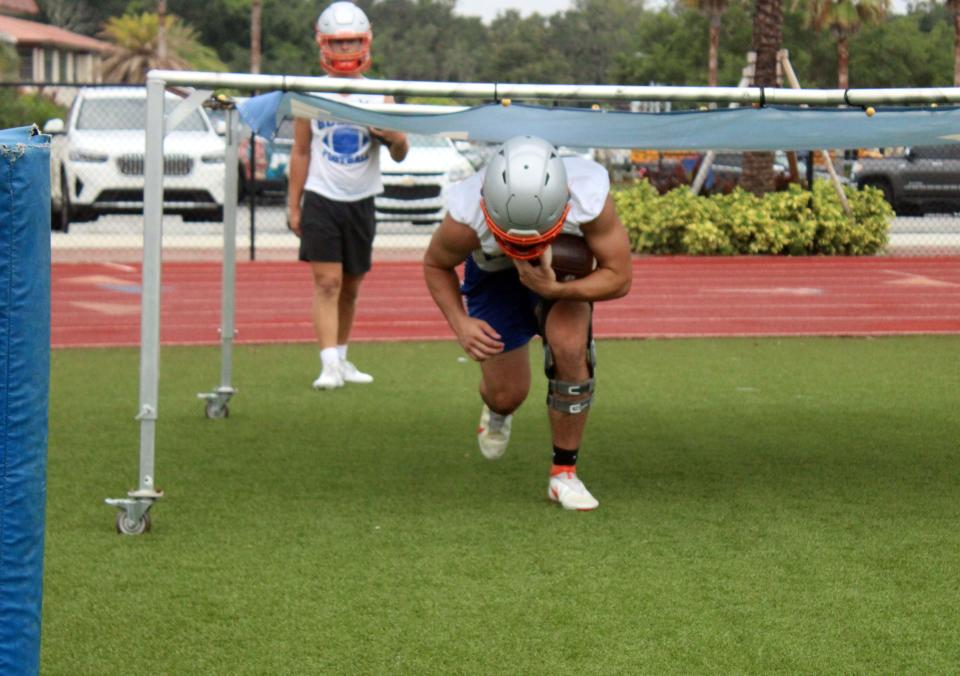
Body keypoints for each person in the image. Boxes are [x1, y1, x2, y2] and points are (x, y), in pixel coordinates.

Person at [423, 135, 633, 510]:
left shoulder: (589, 195)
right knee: (507, 393)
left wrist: (556, 288)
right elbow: (435, 264)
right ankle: (498, 412)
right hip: (493, 276)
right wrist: (460, 323)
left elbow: (619, 276)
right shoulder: (466, 211)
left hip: (561, 274)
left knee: (570, 347)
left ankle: (563, 474)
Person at [287, 1, 408, 389]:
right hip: (323, 197)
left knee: (352, 286)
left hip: (362, 199)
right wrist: (293, 203)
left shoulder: (381, 95)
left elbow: (401, 152)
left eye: (352, 41)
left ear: (366, 42)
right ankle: (327, 366)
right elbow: (301, 151)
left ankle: (341, 357)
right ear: (323, 45)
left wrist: (393, 136)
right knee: (327, 283)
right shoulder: (309, 95)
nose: (345, 51)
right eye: (338, 43)